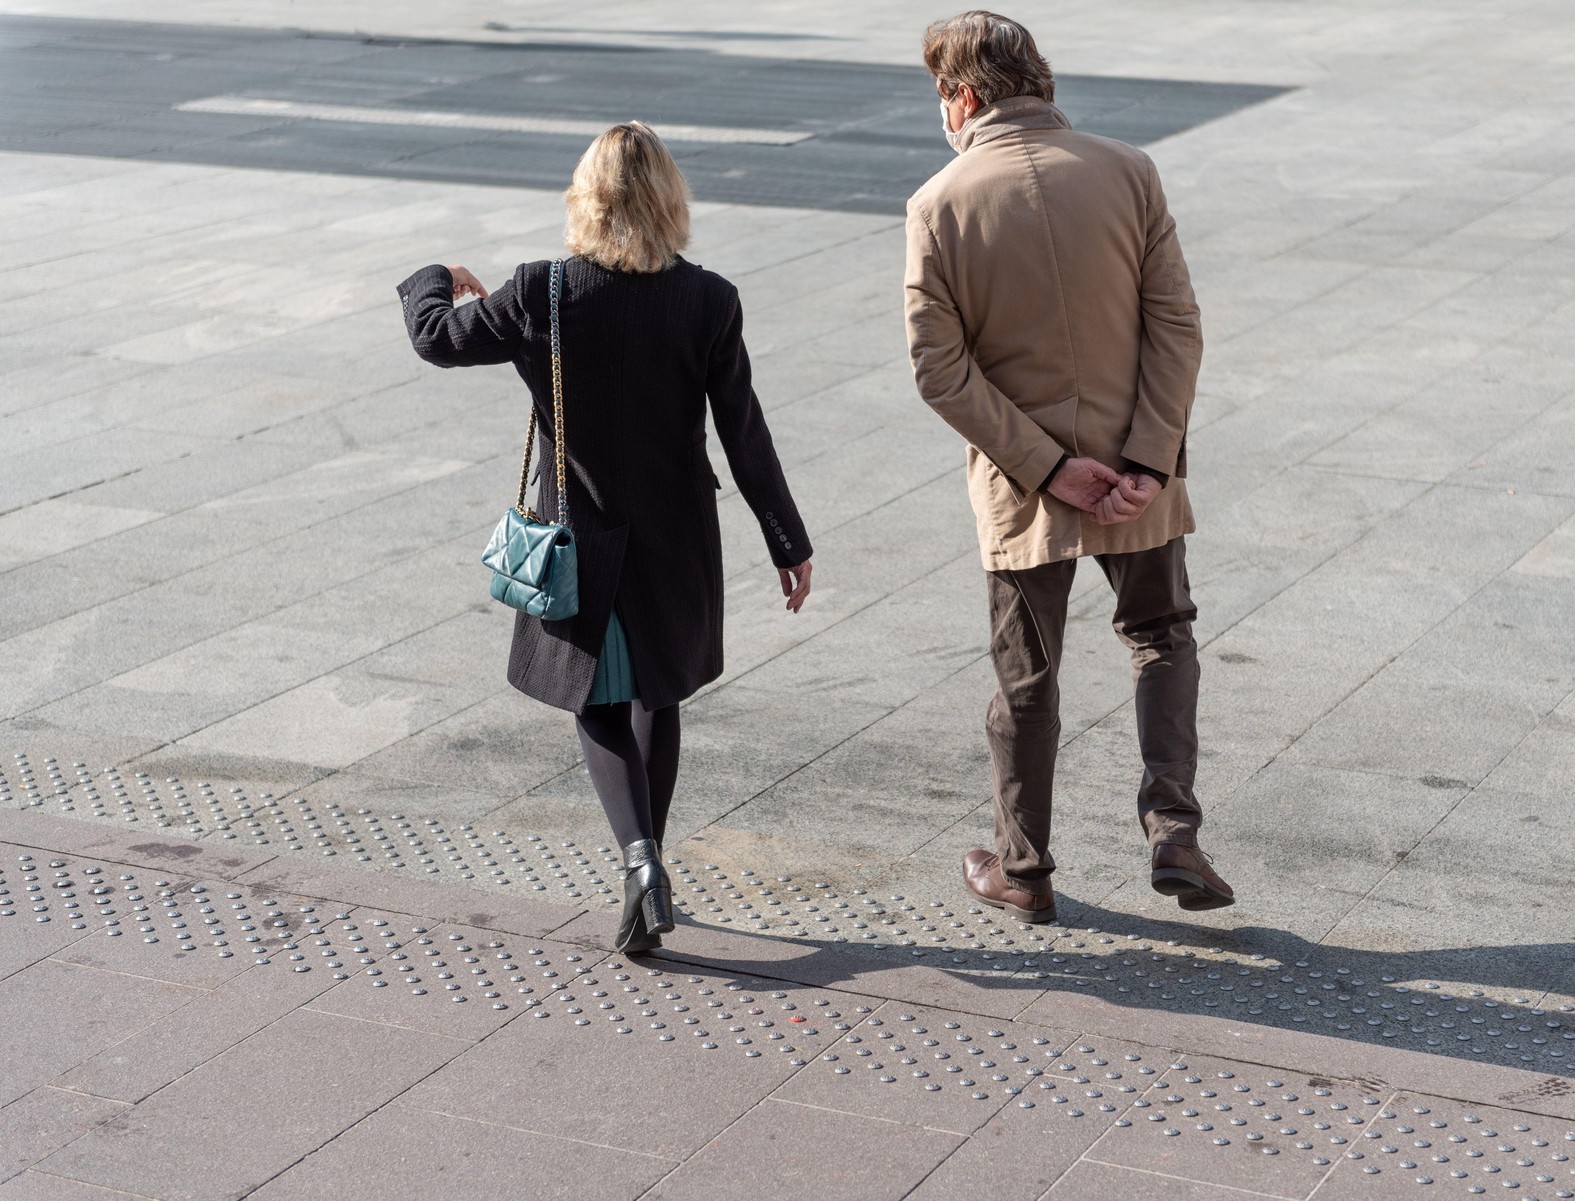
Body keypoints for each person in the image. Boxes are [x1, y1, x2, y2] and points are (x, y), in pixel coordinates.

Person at [397, 122, 814, 953]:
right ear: (669, 201)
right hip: (678, 539)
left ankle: (639, 862)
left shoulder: (540, 291)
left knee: (596, 700)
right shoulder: (709, 299)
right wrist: (785, 538)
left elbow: (436, 338)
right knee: (658, 695)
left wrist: (434, 279)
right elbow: (744, 433)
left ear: (585, 201)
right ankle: (648, 866)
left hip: (582, 539)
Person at [905, 11, 1233, 923]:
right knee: (1162, 633)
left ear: (964, 96)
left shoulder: (938, 203)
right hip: (1139, 470)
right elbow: (1178, 325)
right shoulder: (1130, 171)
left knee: (1026, 678)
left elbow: (939, 369)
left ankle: (1025, 868)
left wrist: (1049, 468)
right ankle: (1174, 830)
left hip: (1025, 487)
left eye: (942, 98)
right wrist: (1146, 461)